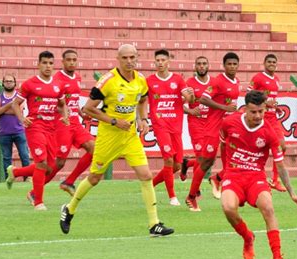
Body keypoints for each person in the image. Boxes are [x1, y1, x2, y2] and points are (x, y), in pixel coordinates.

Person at [59, 44, 174, 237]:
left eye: (132, 57)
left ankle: (154, 224)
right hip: (109, 136)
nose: (129, 61)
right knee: (95, 178)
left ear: (137, 57)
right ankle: (69, 209)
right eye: (125, 58)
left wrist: (142, 119)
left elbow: (143, 100)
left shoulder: (140, 80)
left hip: (129, 136)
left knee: (146, 175)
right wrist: (113, 121)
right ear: (118, 59)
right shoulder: (108, 81)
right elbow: (87, 108)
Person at [220, 90, 297, 259]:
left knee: (268, 207)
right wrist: (225, 171)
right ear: (245, 109)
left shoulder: (269, 133)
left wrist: (292, 193)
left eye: (261, 111)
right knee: (228, 208)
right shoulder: (229, 123)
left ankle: (277, 255)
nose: (258, 116)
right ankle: (247, 237)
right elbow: (222, 146)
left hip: (256, 177)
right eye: (253, 112)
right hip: (234, 175)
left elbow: (281, 165)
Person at [25, 50, 95, 205]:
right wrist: (63, 113)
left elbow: (72, 102)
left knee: (94, 149)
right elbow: (52, 105)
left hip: (75, 123)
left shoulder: (76, 77)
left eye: (74, 60)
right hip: (61, 125)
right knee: (58, 163)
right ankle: (34, 193)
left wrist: (80, 113)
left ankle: (69, 181)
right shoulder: (56, 79)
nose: (71, 62)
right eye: (68, 60)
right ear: (62, 62)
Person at [6, 51, 69, 211]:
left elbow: (62, 104)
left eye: (50, 63)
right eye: (45, 63)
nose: (48, 66)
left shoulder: (57, 85)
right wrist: (22, 118)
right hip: (35, 127)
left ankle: (16, 172)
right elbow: (15, 104)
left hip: (51, 129)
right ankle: (38, 202)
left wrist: (65, 116)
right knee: (41, 163)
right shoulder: (29, 84)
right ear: (38, 64)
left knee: (50, 166)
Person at [185, 52, 239, 209]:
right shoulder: (218, 82)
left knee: (233, 158)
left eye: (235, 64)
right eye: (229, 64)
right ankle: (192, 196)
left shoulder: (236, 81)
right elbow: (203, 99)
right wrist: (224, 108)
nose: (232, 67)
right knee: (205, 161)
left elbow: (231, 104)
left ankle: (218, 178)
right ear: (224, 66)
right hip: (213, 127)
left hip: (228, 127)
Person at [146, 49, 195, 206]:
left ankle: (151, 185)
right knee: (167, 159)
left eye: (163, 60)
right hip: (160, 125)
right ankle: (172, 197)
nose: (160, 63)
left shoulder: (178, 80)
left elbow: (188, 98)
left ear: (168, 62)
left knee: (176, 165)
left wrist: (190, 96)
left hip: (176, 126)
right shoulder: (149, 81)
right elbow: (140, 100)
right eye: (157, 60)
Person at [179, 56, 215, 210]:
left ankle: (187, 163)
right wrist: (192, 111)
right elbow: (180, 106)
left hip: (212, 125)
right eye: (199, 64)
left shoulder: (214, 82)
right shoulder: (189, 84)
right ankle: (192, 196)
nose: (201, 66)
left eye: (204, 63)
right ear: (195, 66)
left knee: (210, 160)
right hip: (196, 124)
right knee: (202, 159)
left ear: (208, 65)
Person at [247, 54, 287, 192]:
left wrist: (275, 107)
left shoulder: (276, 79)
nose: (271, 64)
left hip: (273, 117)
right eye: (269, 62)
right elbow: (249, 95)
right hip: (261, 118)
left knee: (282, 146)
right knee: (257, 149)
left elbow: (271, 99)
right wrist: (264, 103)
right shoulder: (258, 78)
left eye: (274, 62)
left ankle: (275, 180)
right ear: (264, 63)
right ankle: (256, 178)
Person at [0, 74, 30, 180]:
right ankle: (8, 179)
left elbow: (18, 111)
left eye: (11, 81)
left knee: (24, 156)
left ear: (15, 83)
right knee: (6, 158)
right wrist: (11, 105)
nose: (9, 83)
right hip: (4, 132)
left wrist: (3, 110)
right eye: (6, 81)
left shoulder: (19, 96)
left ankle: (26, 178)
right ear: (3, 83)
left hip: (19, 131)